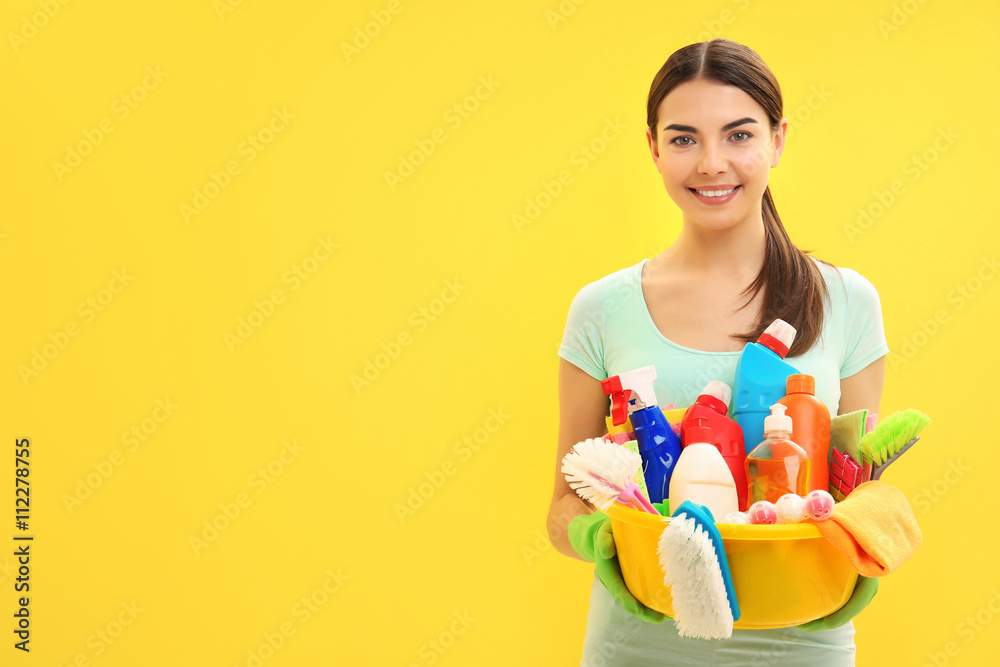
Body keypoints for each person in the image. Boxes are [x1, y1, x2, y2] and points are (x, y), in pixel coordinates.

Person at [547, 39, 889, 666]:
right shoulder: (600, 309)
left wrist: (862, 556)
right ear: (652, 147)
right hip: (641, 645)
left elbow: (858, 492)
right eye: (683, 139)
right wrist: (606, 538)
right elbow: (563, 504)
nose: (711, 163)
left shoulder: (847, 301)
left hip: (802, 643)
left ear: (778, 141)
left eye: (738, 135)